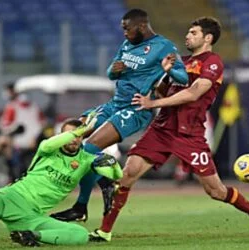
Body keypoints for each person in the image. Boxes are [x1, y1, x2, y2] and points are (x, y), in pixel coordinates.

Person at [89, 17, 249, 242]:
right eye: (188, 32)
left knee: (215, 191)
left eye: (193, 32)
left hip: (190, 134)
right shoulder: (180, 61)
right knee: (128, 174)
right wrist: (165, 76)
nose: (188, 36)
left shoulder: (213, 62)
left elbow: (194, 93)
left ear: (208, 38)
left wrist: (152, 104)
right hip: (162, 129)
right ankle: (104, 231)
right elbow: (161, 93)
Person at [50, 8, 188, 222]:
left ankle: (89, 197)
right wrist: (115, 70)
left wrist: (169, 69)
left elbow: (184, 78)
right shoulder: (127, 44)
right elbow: (111, 73)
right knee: (74, 135)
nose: (124, 33)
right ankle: (90, 197)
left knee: (88, 148)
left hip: (135, 109)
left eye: (127, 29)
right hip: (115, 104)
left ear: (141, 26)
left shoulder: (164, 47)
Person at [0, 113, 123, 247]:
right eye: (68, 135)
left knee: (80, 235)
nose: (73, 139)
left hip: (30, 217)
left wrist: (113, 163)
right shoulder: (47, 149)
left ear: (83, 138)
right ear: (61, 136)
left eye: (78, 135)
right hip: (8, 198)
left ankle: (29, 236)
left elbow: (117, 176)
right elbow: (49, 143)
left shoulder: (86, 160)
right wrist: (78, 131)